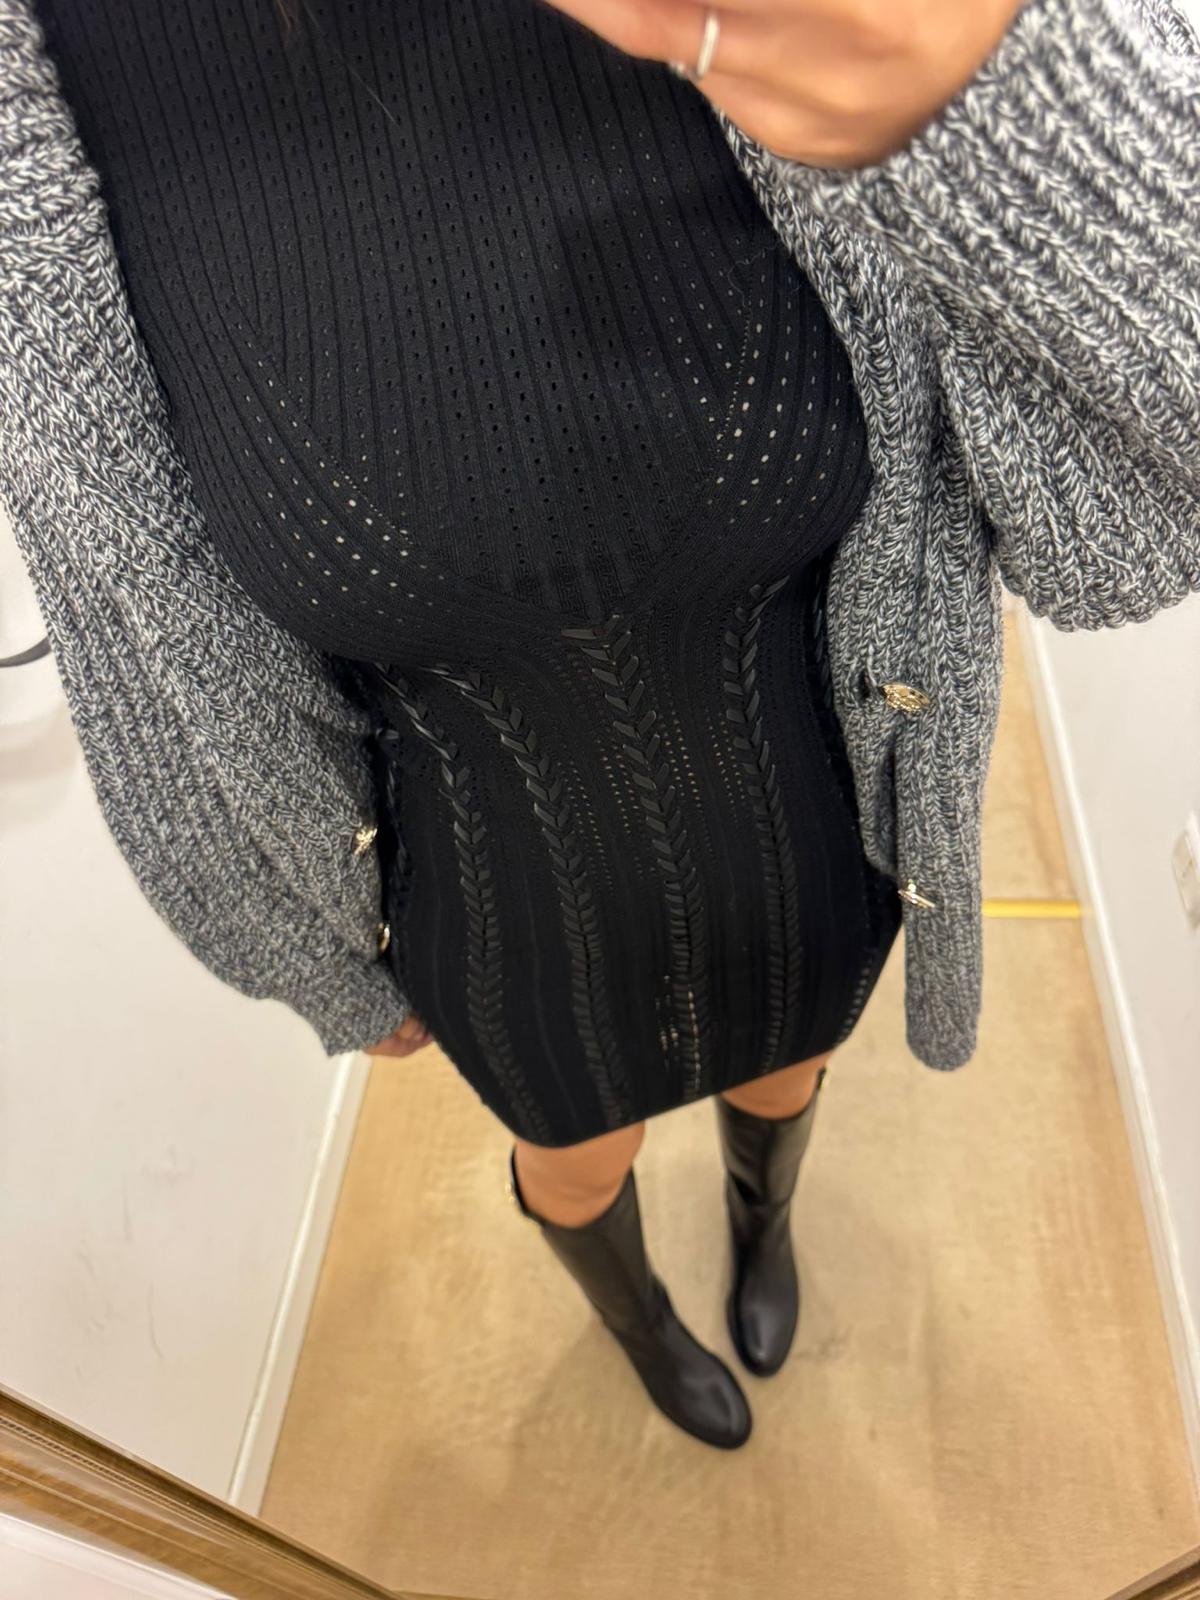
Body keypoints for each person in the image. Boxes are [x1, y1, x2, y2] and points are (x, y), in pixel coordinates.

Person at [4, 0, 1197, 1453]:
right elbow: (140, 642)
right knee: (576, 1160)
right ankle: (639, 1322)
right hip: (501, 914)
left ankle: (764, 1225)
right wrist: (302, 953)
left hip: (811, 838)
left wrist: (999, 74)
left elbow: (1119, 535)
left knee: (789, 1072)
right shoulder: (51, 101)